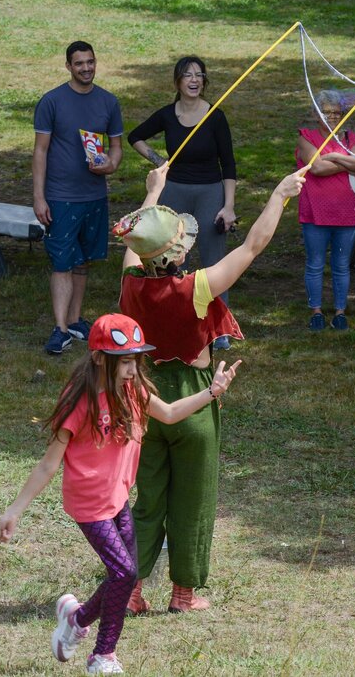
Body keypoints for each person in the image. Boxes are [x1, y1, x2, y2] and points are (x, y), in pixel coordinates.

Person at [0, 313, 241, 675]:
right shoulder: (80, 401)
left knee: (124, 575)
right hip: (89, 506)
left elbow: (171, 414)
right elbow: (49, 464)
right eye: (124, 361)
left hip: (117, 500)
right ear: (99, 359)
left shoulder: (133, 391)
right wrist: (15, 509)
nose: (131, 369)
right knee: (126, 574)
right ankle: (101, 656)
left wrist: (212, 392)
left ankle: (78, 620)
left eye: (135, 360)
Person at [116, 163, 304, 615]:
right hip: (194, 401)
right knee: (194, 501)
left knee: (146, 501)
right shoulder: (198, 287)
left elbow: (132, 242)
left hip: (143, 400)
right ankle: (183, 595)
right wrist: (279, 194)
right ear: (178, 255)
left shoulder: (130, 284)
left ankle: (133, 591)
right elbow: (253, 245)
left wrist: (153, 190)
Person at [128, 56, 238, 349]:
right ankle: (176, 321)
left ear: (204, 81)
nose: (194, 80)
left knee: (214, 260)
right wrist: (159, 160)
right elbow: (135, 136)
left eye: (199, 75)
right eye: (187, 75)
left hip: (210, 191)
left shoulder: (215, 116)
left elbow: (228, 164)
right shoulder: (166, 115)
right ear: (177, 81)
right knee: (172, 260)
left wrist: (228, 206)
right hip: (174, 191)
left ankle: (219, 330)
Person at [33, 40, 123, 356]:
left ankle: (74, 320)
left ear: (95, 63)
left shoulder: (108, 102)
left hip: (94, 196)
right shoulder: (52, 102)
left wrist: (111, 164)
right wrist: (39, 197)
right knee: (62, 262)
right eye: (79, 63)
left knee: (83, 261)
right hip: (60, 197)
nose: (86, 68)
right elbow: (40, 151)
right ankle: (59, 330)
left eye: (90, 62)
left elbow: (116, 148)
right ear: (68, 66)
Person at [295, 89, 355, 331]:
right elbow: (316, 167)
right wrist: (345, 161)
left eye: (337, 113)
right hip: (315, 211)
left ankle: (340, 311)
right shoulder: (307, 137)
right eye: (327, 112)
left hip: (347, 212)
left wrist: (334, 157)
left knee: (341, 264)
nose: (333, 117)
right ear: (317, 115)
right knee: (315, 263)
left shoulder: (352, 139)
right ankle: (316, 311)